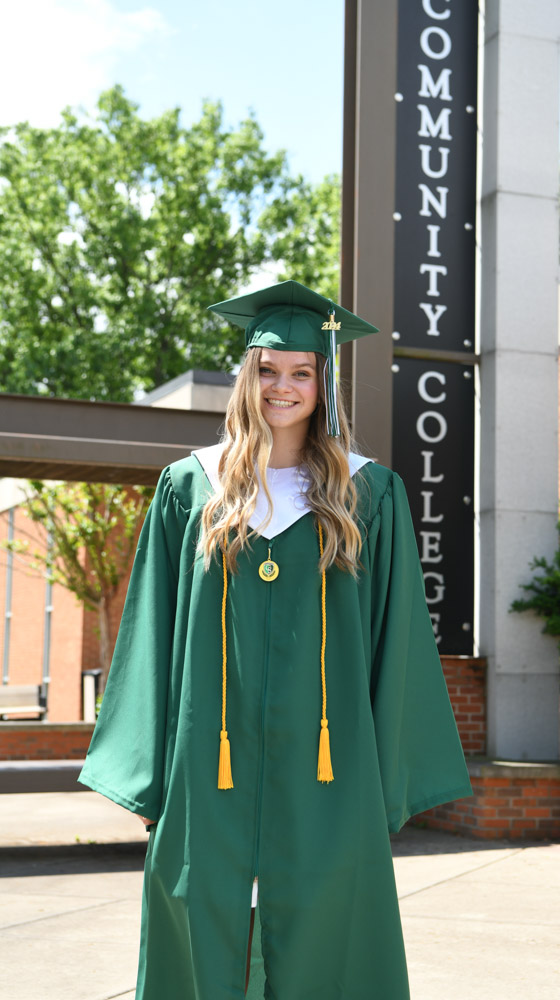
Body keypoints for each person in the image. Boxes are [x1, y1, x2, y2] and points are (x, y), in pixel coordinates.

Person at [79, 279, 472, 1000]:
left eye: (300, 371)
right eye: (266, 369)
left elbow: (398, 641)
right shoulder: (189, 488)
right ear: (244, 376)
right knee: (202, 926)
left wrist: (383, 778)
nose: (281, 387)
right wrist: (147, 770)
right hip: (209, 770)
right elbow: (151, 632)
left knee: (330, 935)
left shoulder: (368, 495)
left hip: (327, 772)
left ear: (323, 383)